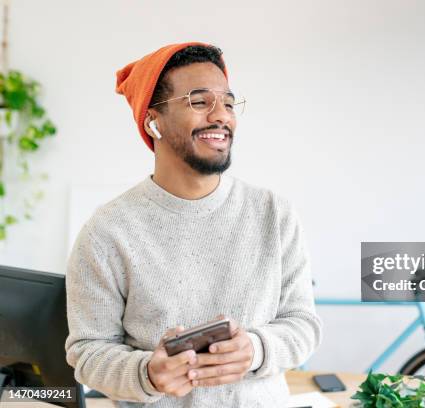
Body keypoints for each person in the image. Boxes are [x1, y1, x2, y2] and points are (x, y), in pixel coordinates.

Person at [65, 42, 322, 408]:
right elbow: (88, 352)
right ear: (154, 120)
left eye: (229, 103)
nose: (221, 116)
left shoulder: (274, 214)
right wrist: (147, 373)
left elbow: (303, 324)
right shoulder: (108, 231)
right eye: (199, 102)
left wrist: (256, 350)